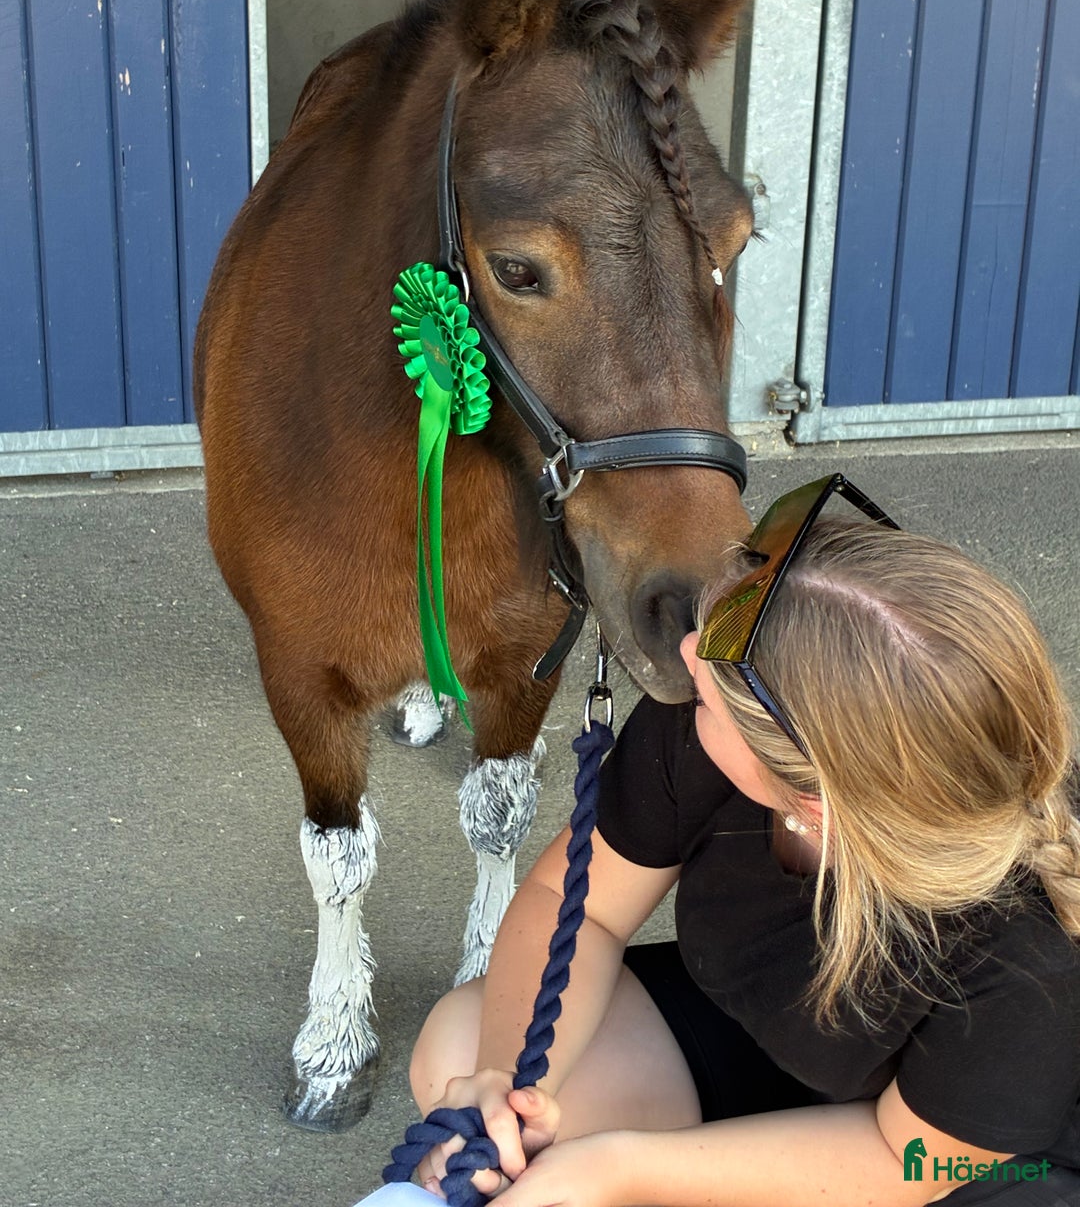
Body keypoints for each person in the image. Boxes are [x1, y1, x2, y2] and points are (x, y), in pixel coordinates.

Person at [409, 475, 1080, 1206]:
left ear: (814, 803)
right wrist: (509, 1081)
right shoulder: (726, 698)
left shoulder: (1032, 955)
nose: (691, 654)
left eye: (710, 694)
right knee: (466, 1040)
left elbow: (909, 1161)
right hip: (768, 1048)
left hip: (966, 1162)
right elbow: (580, 909)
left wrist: (620, 1171)